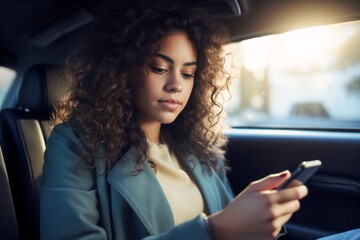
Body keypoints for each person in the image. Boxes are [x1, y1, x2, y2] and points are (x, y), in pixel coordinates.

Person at [40, 6, 308, 240]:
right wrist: (213, 232)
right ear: (122, 71)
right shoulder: (75, 143)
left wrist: (253, 219)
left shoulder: (198, 146)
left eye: (188, 73)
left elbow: (229, 222)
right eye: (159, 68)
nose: (176, 85)